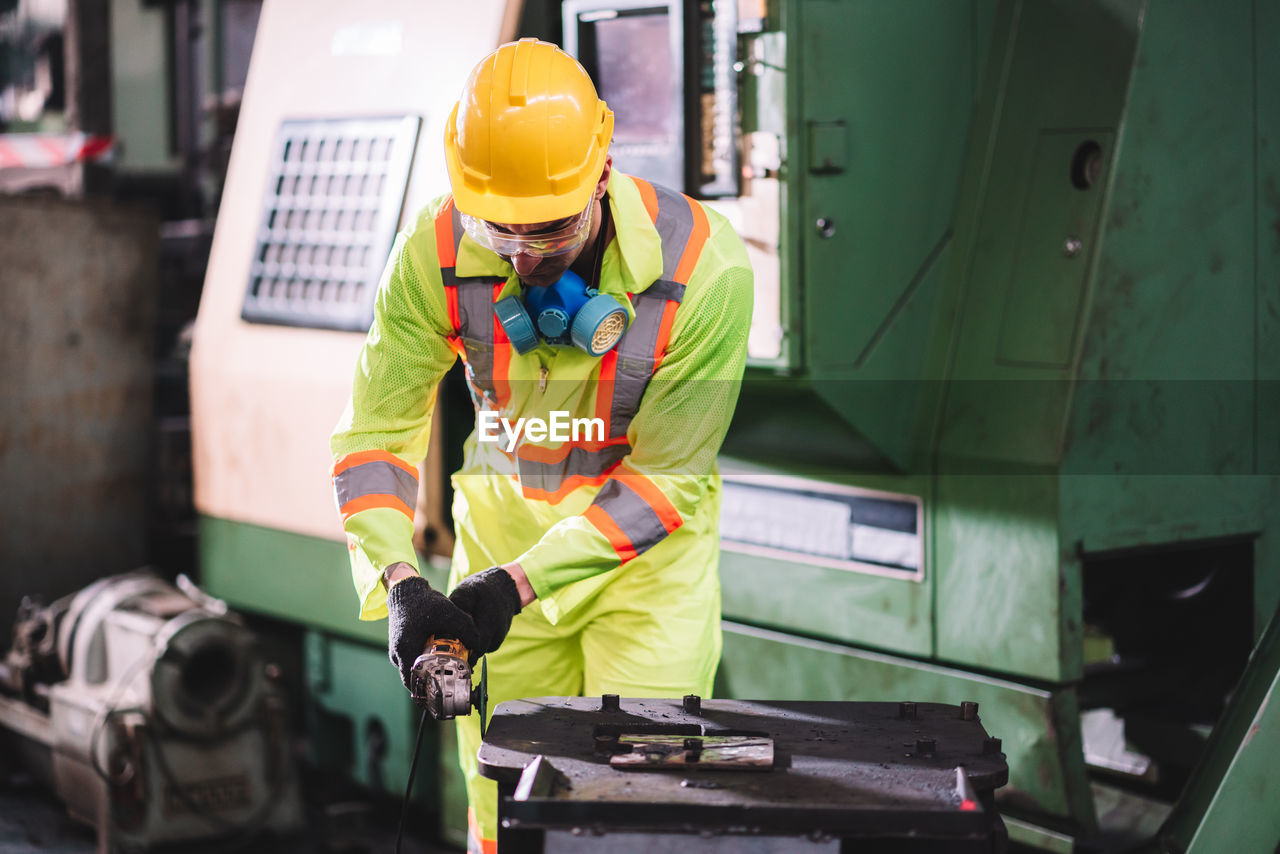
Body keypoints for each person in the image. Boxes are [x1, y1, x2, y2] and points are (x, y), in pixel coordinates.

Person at [329, 38, 752, 852]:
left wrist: (518, 587)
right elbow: (376, 434)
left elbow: (666, 480)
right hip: (496, 553)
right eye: (501, 230)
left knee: (643, 808)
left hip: (643, 576)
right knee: (504, 807)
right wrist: (399, 577)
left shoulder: (706, 270)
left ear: (602, 172)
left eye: (549, 231)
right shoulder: (438, 252)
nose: (521, 257)